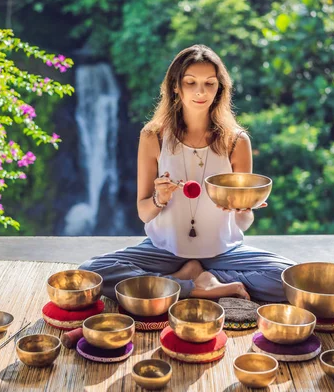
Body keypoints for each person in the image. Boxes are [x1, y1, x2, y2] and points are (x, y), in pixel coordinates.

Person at [79, 44, 295, 302]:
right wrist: (160, 198)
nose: (200, 92)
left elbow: (242, 224)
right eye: (190, 82)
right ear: (175, 86)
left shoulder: (237, 141)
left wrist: (244, 209)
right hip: (164, 250)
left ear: (220, 88)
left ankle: (189, 280)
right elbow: (144, 212)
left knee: (290, 279)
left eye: (209, 83)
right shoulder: (153, 136)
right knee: (91, 272)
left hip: (222, 252)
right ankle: (196, 286)